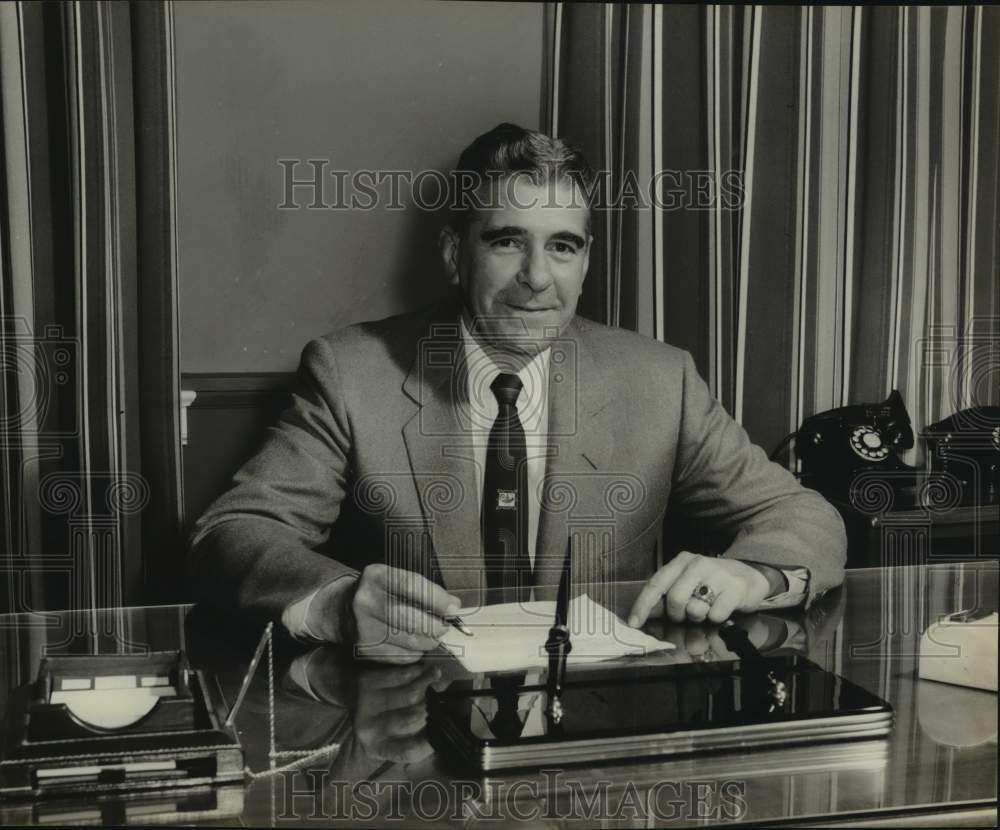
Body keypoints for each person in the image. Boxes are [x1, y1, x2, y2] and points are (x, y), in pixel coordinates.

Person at [187, 123, 847, 663]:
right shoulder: (352, 371)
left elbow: (807, 519)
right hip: (416, 734)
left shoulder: (659, 379)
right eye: (508, 242)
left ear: (584, 263)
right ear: (455, 254)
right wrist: (334, 604)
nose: (537, 278)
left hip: (592, 737)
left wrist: (753, 576)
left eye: (562, 247)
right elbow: (233, 532)